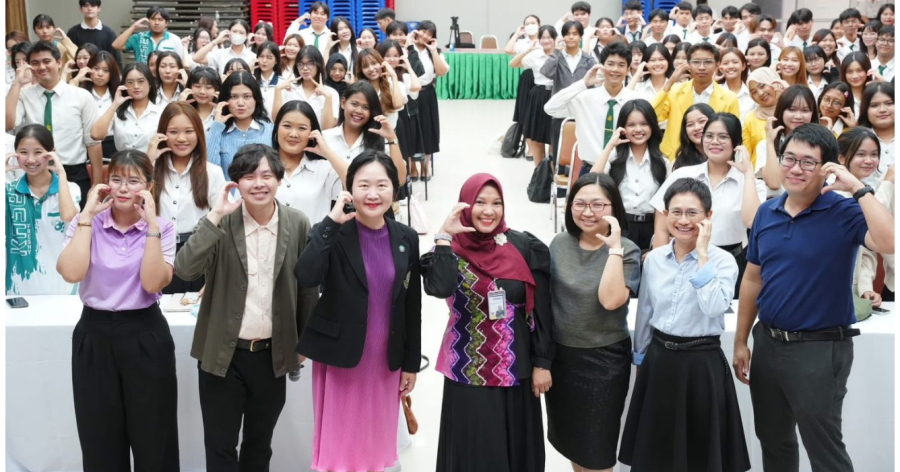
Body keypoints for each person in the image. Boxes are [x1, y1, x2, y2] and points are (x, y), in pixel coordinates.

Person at [733, 124, 894, 472]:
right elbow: (752, 278)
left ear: (827, 168)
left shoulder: (844, 211)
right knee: (773, 441)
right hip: (768, 344)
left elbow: (890, 241)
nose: (795, 168)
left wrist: (858, 188)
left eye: (808, 162)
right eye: (789, 158)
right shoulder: (767, 213)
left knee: (824, 450)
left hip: (820, 350)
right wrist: (741, 340)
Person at [174, 143, 318, 471]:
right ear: (235, 182)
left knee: (259, 445)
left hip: (270, 355)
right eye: (249, 176)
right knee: (220, 446)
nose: (258, 183)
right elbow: (184, 269)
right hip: (221, 355)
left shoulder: (297, 222)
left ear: (279, 179)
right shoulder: (221, 222)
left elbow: (308, 287)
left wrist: (303, 342)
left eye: (266, 175)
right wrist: (214, 215)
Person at [295, 150, 421, 472]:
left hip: (384, 361)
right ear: (349, 188)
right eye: (364, 185)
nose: (373, 194)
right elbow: (306, 275)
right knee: (340, 447)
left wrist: (410, 364)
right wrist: (331, 223)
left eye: (382, 185)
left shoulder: (405, 238)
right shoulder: (333, 231)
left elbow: (411, 305)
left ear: (394, 189)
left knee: (376, 448)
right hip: (341, 357)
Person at [56, 150, 179, 471]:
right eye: (116, 179)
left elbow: (152, 283)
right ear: (105, 183)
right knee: (99, 437)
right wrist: (86, 214)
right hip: (94, 335)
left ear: (149, 187)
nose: (123, 188)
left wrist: (150, 224)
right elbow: (71, 273)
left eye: (133, 181)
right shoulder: (87, 222)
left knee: (154, 435)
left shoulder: (163, 228)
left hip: (145, 334)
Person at [422, 173, 553, 472]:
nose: (489, 211)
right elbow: (439, 287)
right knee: (477, 453)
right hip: (468, 370)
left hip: (518, 367)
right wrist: (444, 235)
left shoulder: (523, 246)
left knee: (517, 451)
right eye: (480, 202)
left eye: (497, 203)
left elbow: (542, 308)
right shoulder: (447, 250)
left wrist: (543, 362)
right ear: (465, 205)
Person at [620, 177, 750, 472]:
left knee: (700, 454)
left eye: (693, 213)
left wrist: (702, 254)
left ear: (708, 216)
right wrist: (640, 359)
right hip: (659, 360)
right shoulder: (654, 260)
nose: (683, 220)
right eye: (676, 212)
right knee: (657, 451)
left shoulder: (723, 261)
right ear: (665, 215)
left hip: (701, 364)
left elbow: (714, 306)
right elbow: (646, 312)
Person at [546, 172, 640, 472]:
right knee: (573, 443)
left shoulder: (628, 250)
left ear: (614, 208)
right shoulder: (559, 244)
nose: (588, 212)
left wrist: (614, 248)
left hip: (604, 362)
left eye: (598, 204)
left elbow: (611, 300)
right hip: (562, 359)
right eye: (580, 204)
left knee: (598, 450)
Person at [652, 113, 761, 295]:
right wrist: (659, 263)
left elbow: (752, 221)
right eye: (709, 136)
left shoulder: (749, 182)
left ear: (736, 142)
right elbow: (662, 227)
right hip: (684, 258)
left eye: (723, 136)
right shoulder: (682, 174)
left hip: (730, 260)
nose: (714, 142)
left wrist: (748, 173)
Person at [6, 41, 102, 209]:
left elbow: (92, 142)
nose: (41, 67)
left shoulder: (81, 96)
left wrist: (97, 182)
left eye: (46, 61)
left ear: (59, 62)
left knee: (76, 222)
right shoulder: (23, 95)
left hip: (73, 171)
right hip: (35, 171)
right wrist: (17, 83)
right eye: (35, 63)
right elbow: (7, 124)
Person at [148, 102, 225, 293]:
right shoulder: (150, 170)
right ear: (162, 134)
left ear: (198, 133)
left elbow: (223, 221)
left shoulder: (212, 172)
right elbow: (133, 208)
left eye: (189, 131)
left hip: (197, 252)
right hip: (157, 251)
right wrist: (148, 162)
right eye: (173, 132)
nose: (181, 138)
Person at [6, 124, 80, 295]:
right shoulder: (8, 190)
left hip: (62, 287)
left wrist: (62, 173)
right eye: (23, 152)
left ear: (52, 153)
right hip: (18, 288)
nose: (31, 159)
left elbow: (68, 216)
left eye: (38, 152)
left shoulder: (70, 188)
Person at [590, 99, 672, 252]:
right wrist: (610, 145)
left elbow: (665, 205)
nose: (638, 129)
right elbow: (590, 182)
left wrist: (659, 243)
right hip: (619, 226)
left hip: (652, 228)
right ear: (622, 128)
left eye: (644, 124)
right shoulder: (613, 158)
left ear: (652, 126)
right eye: (631, 125)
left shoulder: (663, 163)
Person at [544, 41, 633, 172]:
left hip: (624, 169)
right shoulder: (585, 98)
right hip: (589, 168)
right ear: (602, 66)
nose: (615, 69)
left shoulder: (635, 100)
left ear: (628, 69)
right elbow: (550, 108)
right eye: (610, 64)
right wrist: (583, 84)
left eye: (621, 65)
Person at [651, 42, 741, 159]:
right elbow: (653, 115)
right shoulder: (674, 91)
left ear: (717, 65)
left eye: (708, 62)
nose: (702, 67)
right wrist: (670, 82)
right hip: (675, 156)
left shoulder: (729, 98)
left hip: (712, 158)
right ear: (688, 65)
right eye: (696, 62)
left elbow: (733, 135)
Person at [836, 127, 892, 307]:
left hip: (853, 292)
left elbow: (866, 250)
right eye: (861, 154)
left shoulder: (865, 189)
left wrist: (866, 288)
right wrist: (887, 184)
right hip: (833, 290)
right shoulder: (833, 193)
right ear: (842, 158)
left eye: (874, 154)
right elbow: (871, 222)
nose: (869, 160)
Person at [272, 100, 348, 224]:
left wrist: (327, 152)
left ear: (312, 133)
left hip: (314, 237)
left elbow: (354, 182)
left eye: (302, 128)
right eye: (287, 126)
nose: (293, 134)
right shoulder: (262, 166)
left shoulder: (324, 169)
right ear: (276, 129)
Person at [321, 81, 406, 186]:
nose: (359, 111)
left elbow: (400, 180)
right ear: (343, 103)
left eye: (366, 107)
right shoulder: (325, 138)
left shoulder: (380, 141)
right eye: (354, 104)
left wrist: (392, 139)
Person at [205, 71, 273, 180]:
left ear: (256, 99)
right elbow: (210, 171)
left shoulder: (270, 131)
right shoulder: (215, 132)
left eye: (247, 96)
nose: (240, 103)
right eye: (234, 97)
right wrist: (216, 127)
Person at [510, 25, 558, 167]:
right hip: (538, 95)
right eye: (543, 37)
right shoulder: (535, 55)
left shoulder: (560, 55)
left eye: (549, 37)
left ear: (555, 39)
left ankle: (552, 170)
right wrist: (528, 50)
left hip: (556, 95)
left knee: (553, 136)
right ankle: (539, 171)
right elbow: (513, 64)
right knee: (537, 136)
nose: (546, 40)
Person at [90, 62, 163, 154]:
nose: (136, 86)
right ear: (124, 85)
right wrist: (115, 104)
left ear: (150, 83)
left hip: (150, 162)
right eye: (130, 82)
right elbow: (96, 135)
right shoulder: (117, 111)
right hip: (121, 162)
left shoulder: (160, 112)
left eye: (141, 81)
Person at [760, 86, 823, 191]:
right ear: (781, 111)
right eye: (792, 109)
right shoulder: (765, 145)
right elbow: (774, 184)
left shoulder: (820, 145)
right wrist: (770, 143)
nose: (798, 116)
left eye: (805, 110)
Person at [411, 21, 450, 181]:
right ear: (416, 31)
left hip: (427, 93)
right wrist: (409, 43)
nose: (425, 36)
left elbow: (441, 72)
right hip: (409, 93)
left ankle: (425, 166)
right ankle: (412, 167)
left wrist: (433, 50)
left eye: (429, 34)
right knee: (411, 130)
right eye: (423, 31)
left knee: (427, 129)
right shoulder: (407, 48)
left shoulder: (435, 52)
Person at [274, 45, 339, 129]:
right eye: (300, 64)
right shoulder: (288, 89)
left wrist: (328, 97)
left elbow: (328, 128)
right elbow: (276, 120)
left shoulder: (331, 93)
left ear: (318, 65)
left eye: (310, 64)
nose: (304, 68)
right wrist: (277, 90)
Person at [743, 67, 787, 168]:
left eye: (762, 86)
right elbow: (746, 156)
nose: (760, 93)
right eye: (754, 92)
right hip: (759, 174)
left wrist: (788, 91)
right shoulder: (750, 119)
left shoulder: (791, 112)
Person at [79, 50, 120, 159]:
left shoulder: (118, 94)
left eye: (106, 70)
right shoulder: (80, 93)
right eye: (96, 69)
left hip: (113, 144)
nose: (100, 74)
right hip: (86, 145)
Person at [113, 7, 183, 63]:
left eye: (160, 19)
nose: (156, 22)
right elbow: (116, 45)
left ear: (166, 23)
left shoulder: (175, 40)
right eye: (153, 19)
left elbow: (180, 62)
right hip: (143, 75)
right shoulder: (139, 37)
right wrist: (133, 27)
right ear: (148, 21)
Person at [66, 0, 123, 66]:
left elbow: (116, 60)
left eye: (93, 5)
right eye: (86, 6)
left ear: (99, 8)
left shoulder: (109, 33)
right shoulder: (73, 32)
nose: (89, 8)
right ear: (80, 9)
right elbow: (69, 58)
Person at [858, 81, 895, 178]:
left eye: (889, 103)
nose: (882, 110)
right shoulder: (856, 140)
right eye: (874, 105)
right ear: (865, 109)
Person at [629, 43, 672, 116]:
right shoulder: (638, 88)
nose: (657, 63)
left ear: (668, 62)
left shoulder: (676, 87)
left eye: (661, 59)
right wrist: (637, 74)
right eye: (652, 60)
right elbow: (624, 99)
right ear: (645, 63)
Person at [673, 103, 714, 169]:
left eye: (702, 121)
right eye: (690, 125)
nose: (697, 128)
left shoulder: (729, 157)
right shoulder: (679, 163)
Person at [180, 66, 221, 133]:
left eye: (208, 87)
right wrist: (180, 107)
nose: (202, 92)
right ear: (190, 87)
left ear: (217, 89)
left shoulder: (223, 112)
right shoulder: (183, 109)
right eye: (197, 86)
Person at [718, 47, 753, 120]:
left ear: (743, 66)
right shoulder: (715, 91)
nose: (730, 66)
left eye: (735, 62)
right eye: (726, 63)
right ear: (720, 68)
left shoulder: (752, 92)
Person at [252, 41, 284, 118]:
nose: (264, 61)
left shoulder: (282, 83)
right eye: (261, 56)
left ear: (276, 61)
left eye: (269, 57)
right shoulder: (251, 80)